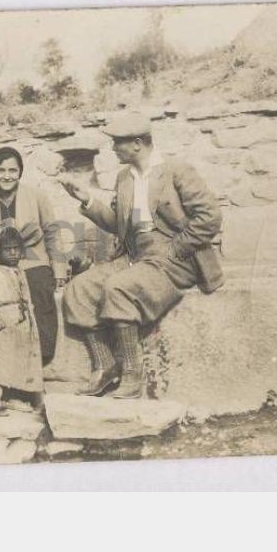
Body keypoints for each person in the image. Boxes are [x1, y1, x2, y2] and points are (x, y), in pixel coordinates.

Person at [59, 111, 224, 398]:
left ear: (137, 143)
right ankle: (105, 366)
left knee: (119, 287)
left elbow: (209, 217)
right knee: (79, 288)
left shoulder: (176, 171)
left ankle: (133, 375)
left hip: (174, 261)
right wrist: (87, 200)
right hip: (135, 257)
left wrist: (177, 248)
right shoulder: (125, 178)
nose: (113, 148)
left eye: (118, 142)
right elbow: (118, 226)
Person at [0, 146, 68, 366]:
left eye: (12, 170)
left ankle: (42, 358)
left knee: (40, 290)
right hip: (1, 263)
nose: (7, 176)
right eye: (0, 170)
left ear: (20, 172)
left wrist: (59, 268)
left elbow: (52, 231)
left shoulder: (36, 196)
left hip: (33, 259)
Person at [0, 227, 44, 416]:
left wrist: (30, 319)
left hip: (20, 326)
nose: (13, 253)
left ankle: (13, 397)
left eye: (16, 248)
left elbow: (26, 297)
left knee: (17, 361)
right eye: (7, 249)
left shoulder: (20, 271)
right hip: (1, 325)